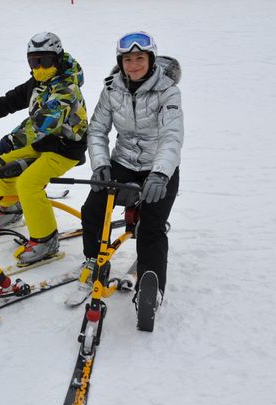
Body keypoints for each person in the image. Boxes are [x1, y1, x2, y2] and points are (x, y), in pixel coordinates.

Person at [71, 31, 183, 307]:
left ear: (151, 59)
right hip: (122, 162)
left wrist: (160, 173)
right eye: (128, 59)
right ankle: (94, 259)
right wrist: (100, 165)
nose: (133, 65)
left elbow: (171, 136)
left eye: (140, 58)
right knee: (94, 209)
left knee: (151, 227)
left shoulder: (168, 91)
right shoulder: (112, 89)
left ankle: (150, 286)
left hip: (158, 167)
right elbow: (97, 130)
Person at [0, 32, 88, 264]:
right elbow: (8, 102)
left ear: (56, 59)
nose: (38, 67)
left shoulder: (67, 89)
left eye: (44, 61)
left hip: (65, 149)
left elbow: (42, 122)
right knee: (1, 160)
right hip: (42, 144)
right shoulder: (38, 82)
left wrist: (6, 142)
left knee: (29, 183)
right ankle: (11, 207)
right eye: (33, 62)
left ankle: (46, 240)